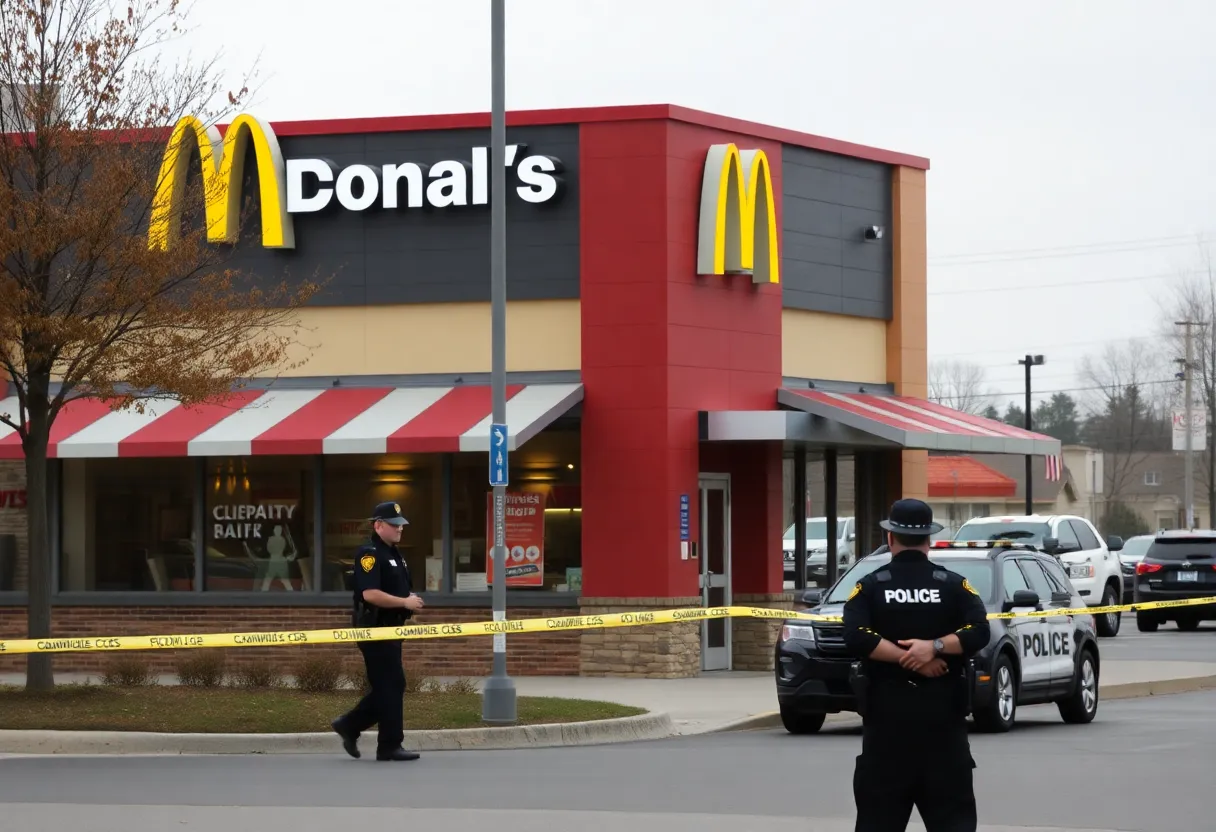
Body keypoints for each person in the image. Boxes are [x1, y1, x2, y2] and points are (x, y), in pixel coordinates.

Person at [842, 498, 991, 832]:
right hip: (944, 733)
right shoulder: (953, 585)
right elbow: (979, 630)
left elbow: (854, 635)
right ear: (929, 540)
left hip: (886, 734)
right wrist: (930, 650)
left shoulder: (871, 586)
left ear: (890, 538)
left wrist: (902, 657)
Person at [331, 501, 425, 762]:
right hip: (374, 629)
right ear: (378, 525)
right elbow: (370, 594)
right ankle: (382, 741)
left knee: (390, 686)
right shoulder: (369, 554)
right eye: (394, 525)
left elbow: (394, 590)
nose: (399, 530)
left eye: (401, 525)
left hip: (392, 628)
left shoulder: (395, 554)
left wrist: (408, 601)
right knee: (392, 685)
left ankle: (358, 730)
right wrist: (404, 602)